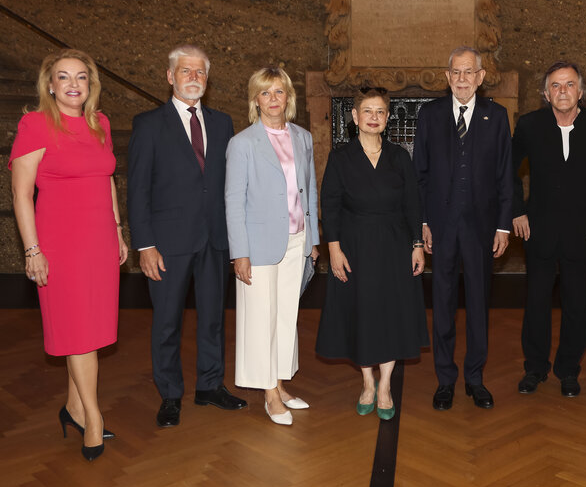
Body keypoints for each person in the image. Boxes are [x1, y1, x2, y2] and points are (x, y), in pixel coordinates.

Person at [9, 49, 128, 461]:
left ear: (90, 85)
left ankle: (74, 408)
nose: (73, 84)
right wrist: (32, 250)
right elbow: (21, 194)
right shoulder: (36, 124)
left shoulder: (100, 123)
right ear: (50, 85)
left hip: (98, 240)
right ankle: (93, 419)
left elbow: (107, 180)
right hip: (60, 243)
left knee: (92, 330)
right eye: (64, 77)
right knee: (79, 332)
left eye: (81, 77)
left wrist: (117, 230)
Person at [127, 45, 246, 428]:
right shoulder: (148, 125)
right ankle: (170, 394)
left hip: (215, 239)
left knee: (213, 319)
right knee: (166, 322)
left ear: (207, 80)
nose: (193, 77)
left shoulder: (223, 123)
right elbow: (137, 190)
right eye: (186, 71)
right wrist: (145, 245)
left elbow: (228, 185)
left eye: (200, 72)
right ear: (170, 77)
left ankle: (210, 385)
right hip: (167, 244)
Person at [511, 62, 586, 398]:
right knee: (536, 303)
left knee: (577, 303)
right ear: (546, 94)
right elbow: (507, 171)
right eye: (556, 86)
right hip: (538, 230)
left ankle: (568, 370)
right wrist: (517, 212)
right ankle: (535, 368)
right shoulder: (530, 125)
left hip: (581, 231)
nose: (563, 91)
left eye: (569, 85)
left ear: (581, 91)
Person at [316, 87, 428, 421]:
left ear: (388, 117)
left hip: (394, 247)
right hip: (355, 247)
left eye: (380, 112)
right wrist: (333, 250)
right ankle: (367, 382)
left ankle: (385, 386)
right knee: (362, 314)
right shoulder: (340, 157)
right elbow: (330, 206)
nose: (374, 117)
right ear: (355, 117)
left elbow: (412, 205)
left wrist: (417, 245)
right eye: (368, 111)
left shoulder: (399, 157)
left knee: (391, 315)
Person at [413, 46, 512, 411]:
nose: (462, 79)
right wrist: (423, 222)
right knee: (441, 305)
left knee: (478, 305)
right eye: (456, 73)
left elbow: (505, 175)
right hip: (440, 226)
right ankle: (445, 379)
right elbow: (419, 175)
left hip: (482, 229)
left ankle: (475, 377)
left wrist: (503, 226)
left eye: (469, 72)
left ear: (481, 77)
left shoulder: (496, 116)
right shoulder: (430, 115)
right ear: (447, 76)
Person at [225, 66, 320, 426]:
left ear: (288, 98)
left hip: (297, 241)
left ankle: (279, 385)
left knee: (285, 317)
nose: (273, 99)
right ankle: (267, 393)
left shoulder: (303, 138)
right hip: (259, 245)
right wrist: (240, 253)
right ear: (255, 100)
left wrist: (313, 239)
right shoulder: (243, 143)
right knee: (260, 319)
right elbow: (233, 201)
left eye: (279, 92)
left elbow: (309, 189)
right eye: (265, 93)